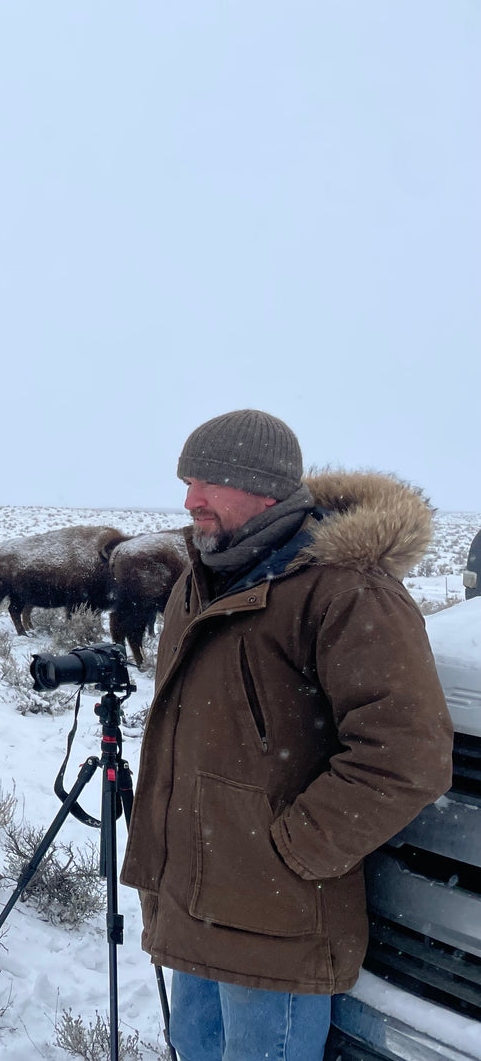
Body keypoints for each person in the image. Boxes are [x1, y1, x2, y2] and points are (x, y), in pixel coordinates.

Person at [119, 409, 454, 1061]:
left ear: (264, 488)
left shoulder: (347, 592)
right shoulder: (198, 578)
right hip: (193, 896)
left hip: (275, 917)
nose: (189, 501)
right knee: (192, 1047)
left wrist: (290, 854)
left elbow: (406, 754)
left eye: (207, 483)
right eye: (185, 482)